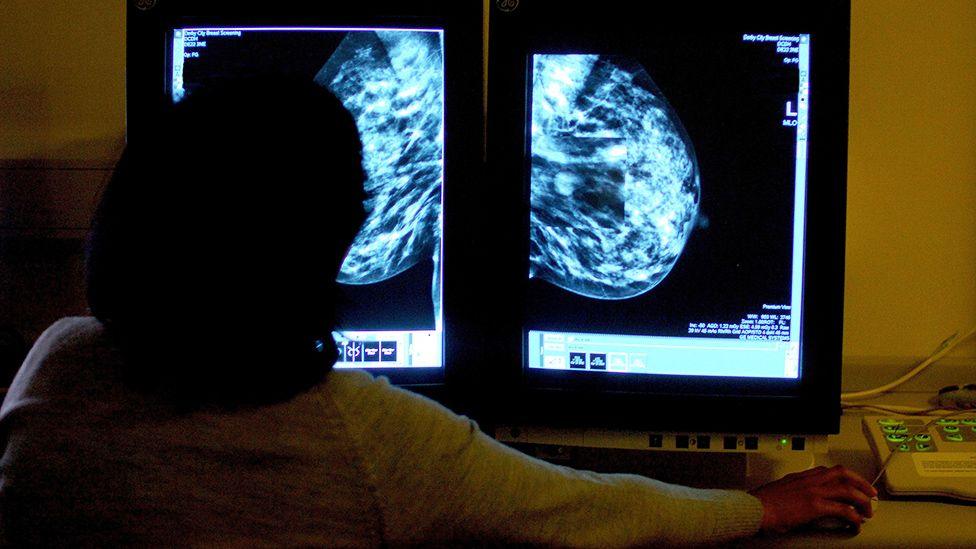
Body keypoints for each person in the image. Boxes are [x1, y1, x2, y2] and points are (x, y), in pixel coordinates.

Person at [0, 79, 876, 546]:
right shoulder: (372, 442)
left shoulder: (54, 366)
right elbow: (594, 513)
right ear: (320, 257)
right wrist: (765, 509)